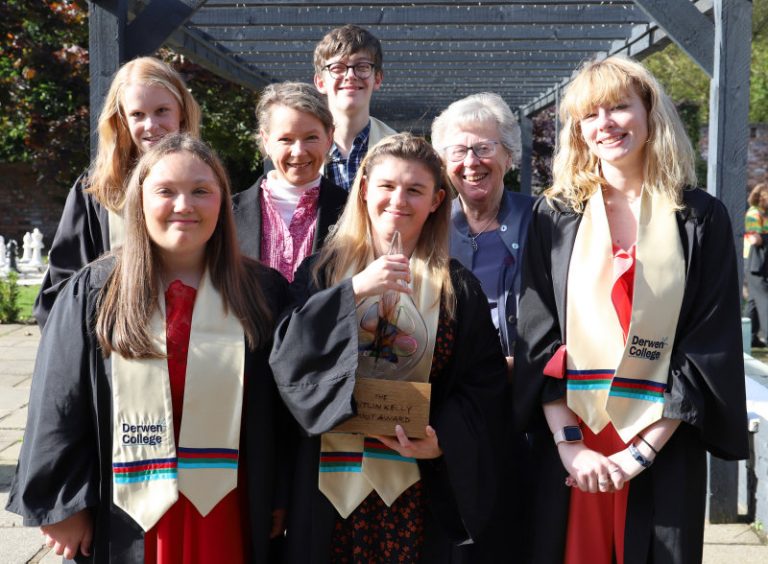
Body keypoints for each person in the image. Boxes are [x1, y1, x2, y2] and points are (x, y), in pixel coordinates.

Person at [7, 134, 289, 563]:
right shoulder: (96, 291)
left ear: (223, 203)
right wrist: (64, 502)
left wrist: (279, 492)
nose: (184, 205)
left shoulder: (261, 293)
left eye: (201, 191)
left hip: (230, 505)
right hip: (124, 511)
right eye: (165, 191)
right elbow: (59, 401)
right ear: (139, 201)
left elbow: (281, 412)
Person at [513, 55, 748, 564]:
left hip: (661, 436)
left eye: (619, 107)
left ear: (649, 115)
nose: (606, 124)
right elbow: (537, 338)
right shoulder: (555, 216)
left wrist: (640, 453)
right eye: (590, 114)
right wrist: (571, 445)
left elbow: (708, 343)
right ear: (577, 129)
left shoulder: (697, 217)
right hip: (573, 434)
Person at [269, 133, 507, 562]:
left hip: (416, 494)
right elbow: (288, 362)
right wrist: (353, 292)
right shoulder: (322, 274)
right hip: (328, 492)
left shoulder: (457, 289)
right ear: (363, 190)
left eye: (415, 190)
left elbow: (484, 389)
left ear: (435, 201)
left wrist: (443, 443)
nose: (399, 199)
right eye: (386, 186)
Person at [431, 92, 534, 562]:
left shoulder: (547, 224)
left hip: (528, 413)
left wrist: (526, 365)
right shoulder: (427, 229)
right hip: (454, 416)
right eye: (458, 151)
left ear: (509, 156)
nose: (471, 162)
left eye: (485, 148)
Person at [33, 56, 201, 328]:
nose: (151, 125)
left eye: (161, 110)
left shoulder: (206, 182)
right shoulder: (96, 190)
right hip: (115, 345)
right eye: (137, 114)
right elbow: (64, 282)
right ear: (121, 120)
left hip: (195, 341)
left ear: (181, 112)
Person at [232, 82, 347, 282]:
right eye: (286, 139)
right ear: (266, 140)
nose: (299, 151)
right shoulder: (227, 213)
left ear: (329, 138)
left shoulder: (352, 210)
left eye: (311, 137)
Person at [313, 24, 397, 191]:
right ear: (320, 82)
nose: (350, 76)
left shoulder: (400, 149)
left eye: (362, 67)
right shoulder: (301, 147)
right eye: (337, 68)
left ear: (378, 79)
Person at [744, 182, 768, 347]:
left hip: (760, 260)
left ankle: (749, 336)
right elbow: (754, 239)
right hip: (754, 261)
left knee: (753, 300)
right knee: (764, 298)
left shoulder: (763, 214)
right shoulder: (754, 214)